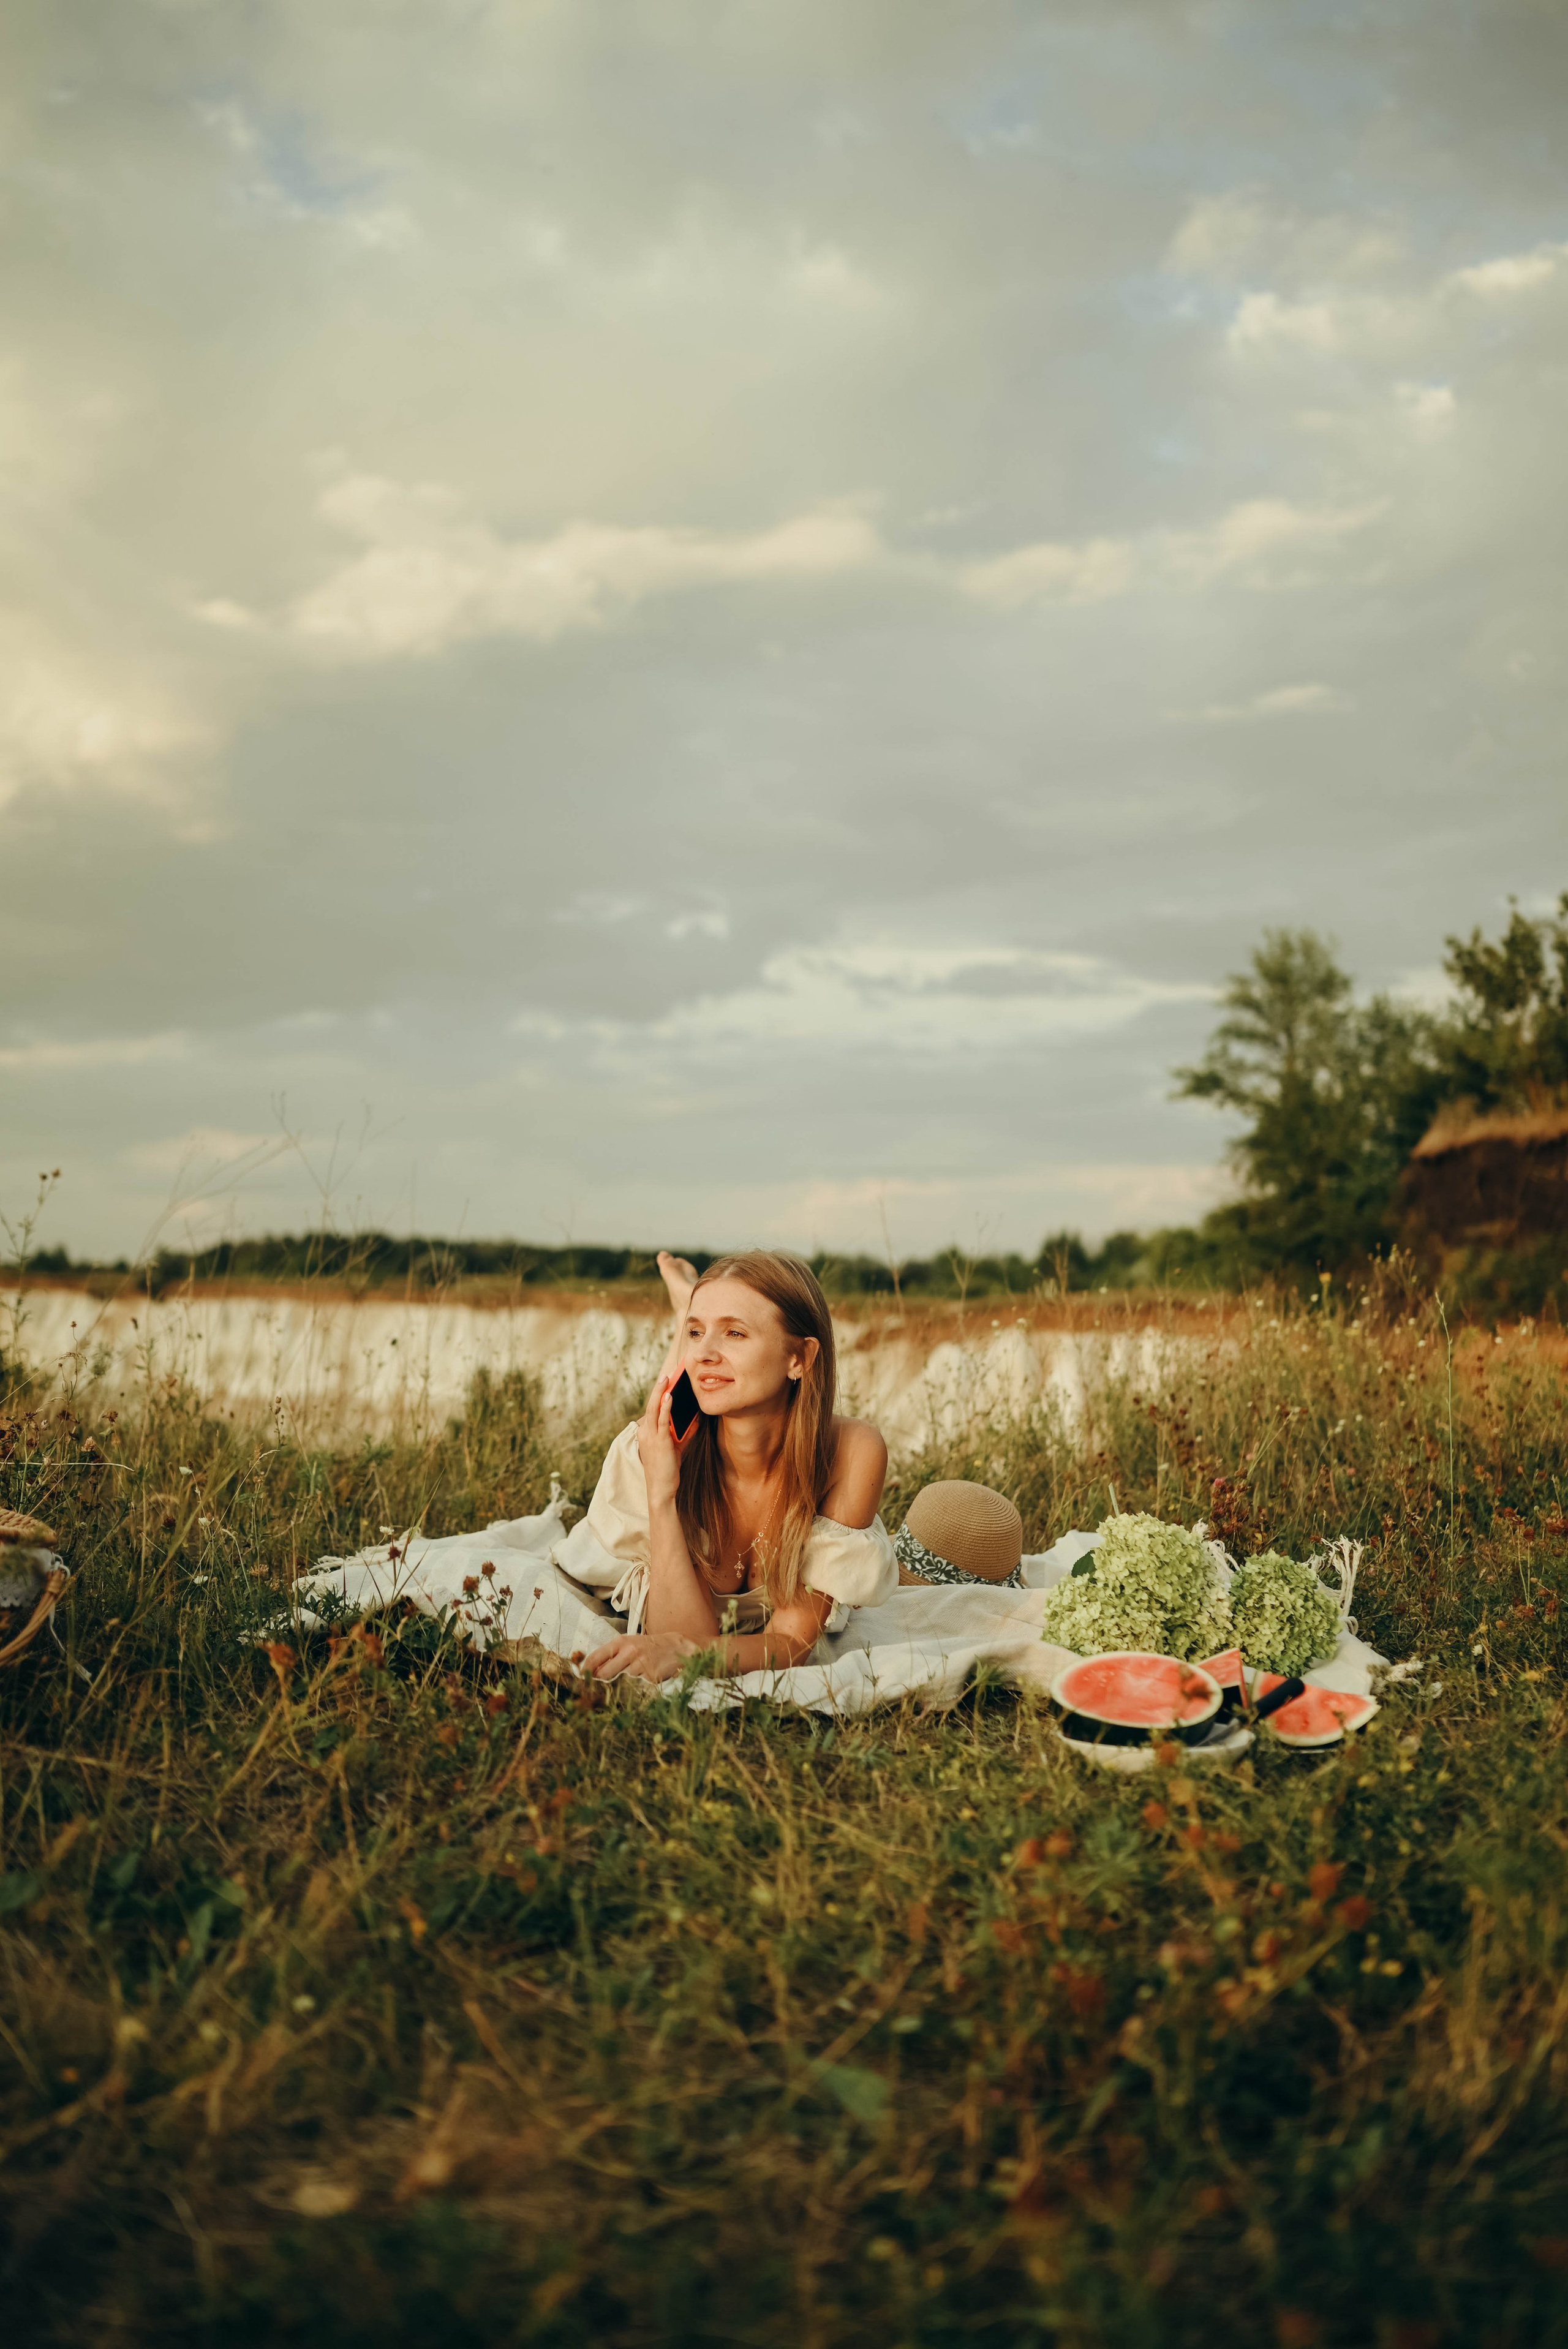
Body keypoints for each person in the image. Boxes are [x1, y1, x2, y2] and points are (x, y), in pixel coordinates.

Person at [576, 1249, 895, 1683]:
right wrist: (662, 1492)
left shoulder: (851, 1452)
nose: (705, 1351)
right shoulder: (652, 1453)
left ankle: (688, 1303)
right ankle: (686, 1306)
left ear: (799, 1358)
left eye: (735, 1333)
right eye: (696, 1331)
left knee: (700, 1371)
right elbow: (677, 1636)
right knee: (675, 1395)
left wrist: (686, 1651)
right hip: (660, 1459)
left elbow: (788, 1642)